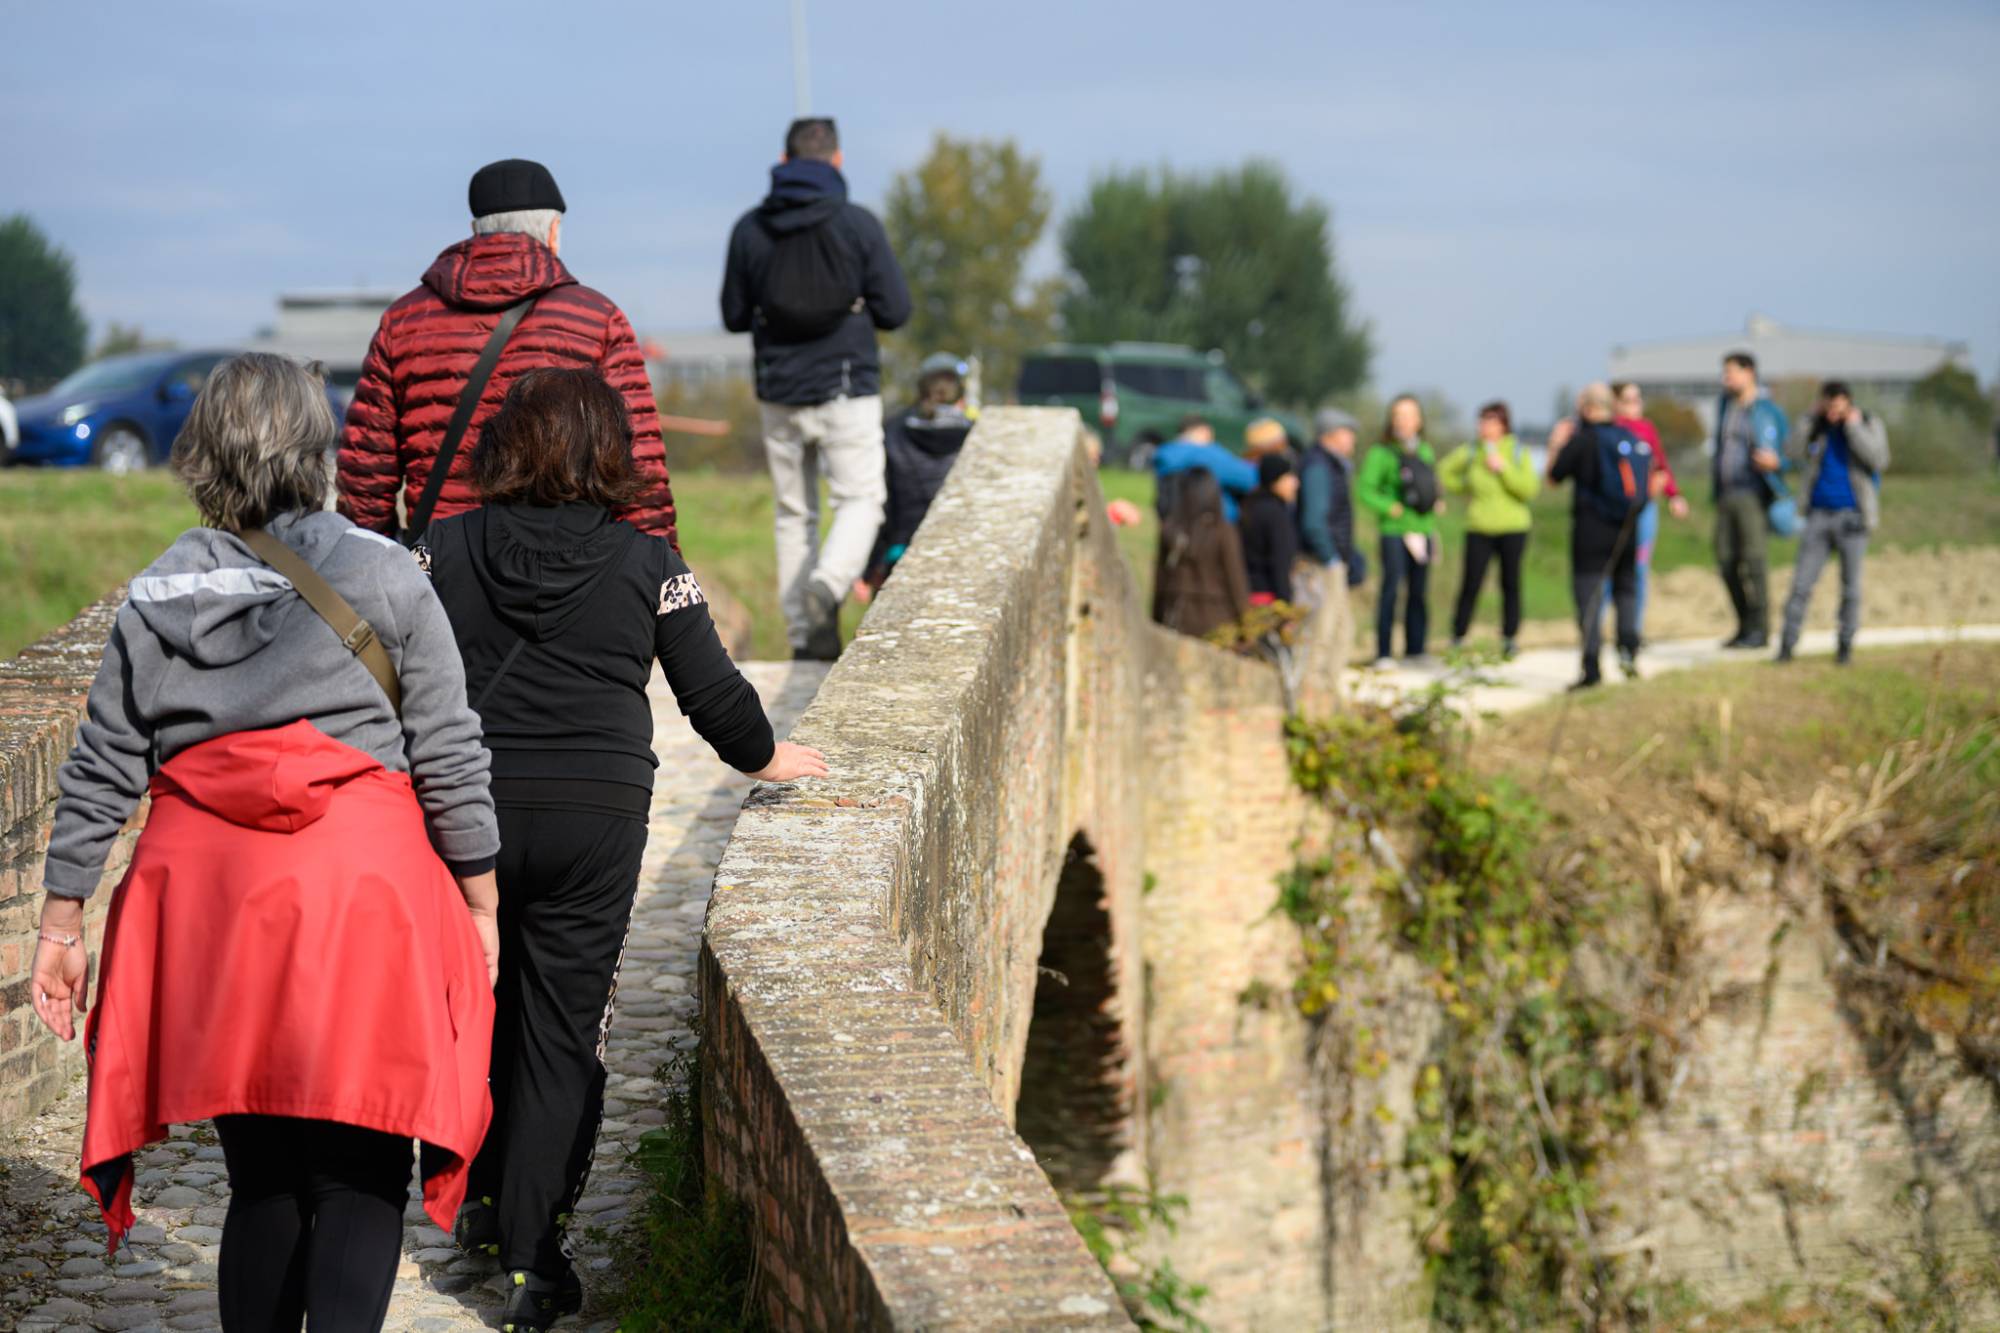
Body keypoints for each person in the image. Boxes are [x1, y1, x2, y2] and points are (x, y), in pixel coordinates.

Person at [32, 354, 500, 1332]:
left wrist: (61, 917)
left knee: (263, 1170)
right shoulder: (382, 573)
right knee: (361, 1165)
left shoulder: (159, 593)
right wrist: (480, 900)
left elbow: (103, 760)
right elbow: (449, 748)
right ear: (317, 448)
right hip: (359, 899)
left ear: (204, 453)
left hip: (214, 905)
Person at [421, 367, 827, 1329]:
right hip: (593, 820)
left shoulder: (441, 547)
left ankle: (474, 1196)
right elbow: (715, 695)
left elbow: (392, 670)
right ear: (612, 451)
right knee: (561, 1031)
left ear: (507, 447)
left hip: (464, 807)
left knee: (472, 1005)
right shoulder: (651, 562)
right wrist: (774, 756)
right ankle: (530, 1260)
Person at [338, 158, 675, 545]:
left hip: (440, 570)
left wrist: (376, 575)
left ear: (474, 232)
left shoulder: (402, 321)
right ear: (553, 231)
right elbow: (640, 468)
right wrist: (662, 576)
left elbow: (365, 478)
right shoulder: (598, 319)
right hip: (564, 570)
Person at [721, 117, 911, 660]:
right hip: (847, 389)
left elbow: (734, 315)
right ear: (838, 161)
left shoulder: (750, 230)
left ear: (782, 163)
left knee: (793, 514)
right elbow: (896, 311)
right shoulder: (858, 226)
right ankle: (827, 588)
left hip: (779, 391)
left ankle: (805, 639)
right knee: (862, 499)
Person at [1547, 382, 1655, 688]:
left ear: (1589, 408)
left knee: (1589, 595)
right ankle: (1628, 651)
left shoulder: (1584, 440)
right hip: (1627, 528)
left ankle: (1592, 667)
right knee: (1626, 590)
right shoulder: (1629, 439)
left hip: (1591, 529)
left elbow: (1554, 477)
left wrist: (1557, 443)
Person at [1777, 381, 1890, 665]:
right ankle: (1787, 646)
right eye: (1829, 404)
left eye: (1839, 405)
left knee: (1850, 588)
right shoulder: (1817, 426)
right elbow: (1790, 452)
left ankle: (1845, 647)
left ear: (1849, 403)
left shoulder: (1868, 422)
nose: (1834, 411)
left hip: (1854, 517)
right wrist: (1808, 419)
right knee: (1801, 584)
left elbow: (1878, 459)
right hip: (1817, 516)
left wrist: (1853, 427)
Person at [855, 352, 976, 601]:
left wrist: (869, 569)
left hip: (900, 553)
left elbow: (882, 504)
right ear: (961, 394)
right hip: (962, 555)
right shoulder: (976, 434)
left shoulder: (893, 431)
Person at [1440, 400, 1538, 658]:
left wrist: (1504, 469)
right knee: (1471, 582)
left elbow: (1529, 488)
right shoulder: (1472, 451)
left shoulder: (1517, 451)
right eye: (1482, 420)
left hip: (1513, 527)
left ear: (1503, 424)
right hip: (1479, 525)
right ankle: (1458, 635)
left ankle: (1509, 637)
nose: (1485, 426)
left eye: (1491, 421)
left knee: (1510, 583)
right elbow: (1444, 472)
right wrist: (1465, 488)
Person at [1355, 394, 1443, 666]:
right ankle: (1383, 652)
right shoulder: (1380, 453)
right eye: (1398, 416)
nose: (1403, 421)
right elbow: (1364, 489)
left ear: (1419, 421)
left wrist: (1436, 501)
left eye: (1409, 416)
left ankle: (1416, 649)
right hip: (1394, 531)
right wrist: (1388, 506)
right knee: (1391, 589)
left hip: (1423, 530)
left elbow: (1431, 484)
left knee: (1419, 591)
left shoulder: (1425, 450)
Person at [1711, 351, 1790, 649]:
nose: (1725, 379)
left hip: (1753, 495)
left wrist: (1777, 462)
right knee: (1726, 560)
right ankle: (1744, 626)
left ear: (1749, 373)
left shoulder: (1768, 410)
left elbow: (1793, 453)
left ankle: (1760, 631)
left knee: (1754, 562)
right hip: (1725, 494)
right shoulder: (1725, 407)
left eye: (1730, 372)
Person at [1610, 382, 1690, 641]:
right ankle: (1601, 629)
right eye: (1629, 400)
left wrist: (1673, 495)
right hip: (1616, 511)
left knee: (1639, 569)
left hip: (1645, 508)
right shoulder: (1610, 431)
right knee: (1610, 568)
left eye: (1638, 399)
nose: (1636, 405)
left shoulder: (1647, 429)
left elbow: (1661, 464)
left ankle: (1634, 630)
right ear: (1617, 404)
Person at [1152, 468, 1251, 638]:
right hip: (1218, 621)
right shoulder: (1223, 532)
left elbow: (1160, 582)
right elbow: (1236, 581)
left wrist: (1156, 621)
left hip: (1177, 619)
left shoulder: (1171, 530)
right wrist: (1247, 625)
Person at [1296, 407, 1365, 586]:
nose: (1353, 439)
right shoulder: (1318, 467)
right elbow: (1313, 522)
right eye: (1348, 432)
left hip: (1329, 559)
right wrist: (1330, 559)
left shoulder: (1331, 465)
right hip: (1320, 564)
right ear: (1330, 434)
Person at [1154, 414, 1258, 523]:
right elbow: (1251, 479)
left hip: (1174, 525)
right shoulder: (1207, 454)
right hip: (1214, 526)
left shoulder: (1165, 455)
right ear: (1205, 431)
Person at [1239, 452, 1299, 605]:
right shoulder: (1275, 514)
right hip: (1268, 596)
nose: (1296, 483)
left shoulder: (1250, 505)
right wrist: (1285, 602)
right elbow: (1280, 561)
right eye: (1289, 477)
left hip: (1247, 591)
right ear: (1276, 480)